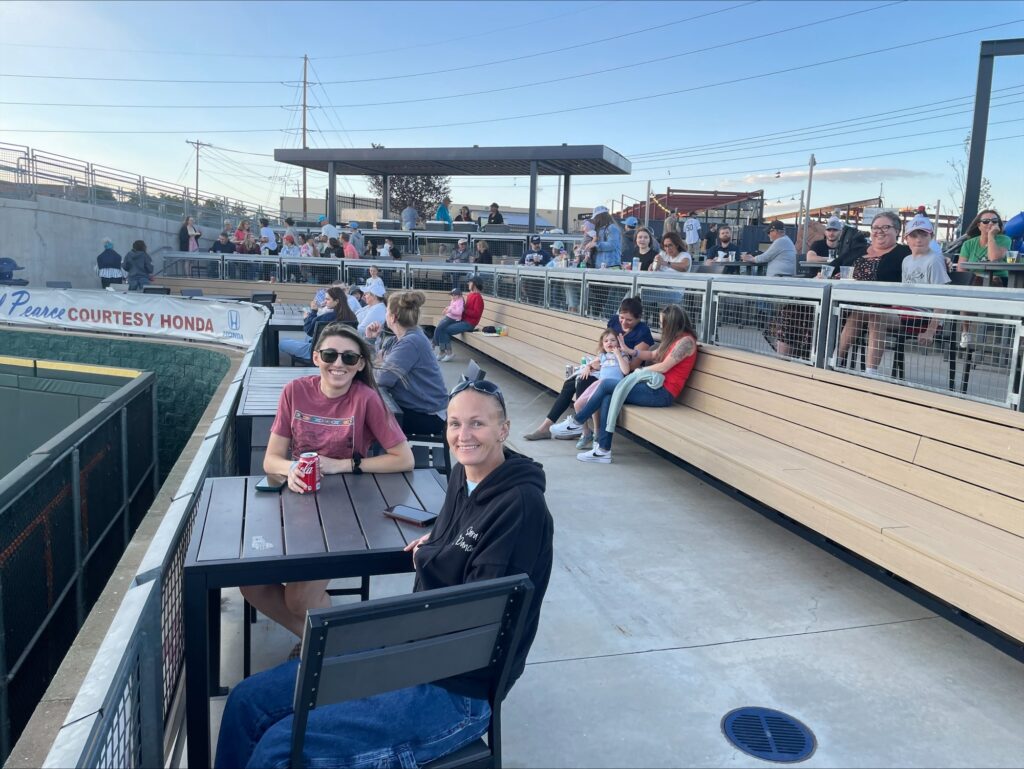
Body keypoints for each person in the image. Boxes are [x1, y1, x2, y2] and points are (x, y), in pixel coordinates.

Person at [214, 378, 553, 769]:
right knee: (246, 701)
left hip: (457, 691)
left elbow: (478, 622)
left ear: (503, 429)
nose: (463, 436)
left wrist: (380, 650)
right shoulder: (466, 475)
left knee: (280, 748)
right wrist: (439, 540)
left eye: (477, 424)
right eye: (455, 423)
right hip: (412, 649)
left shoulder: (521, 507)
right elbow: (464, 537)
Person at [239, 324, 413, 650]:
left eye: (349, 357)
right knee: (250, 583)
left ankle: (324, 650)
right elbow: (271, 460)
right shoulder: (295, 391)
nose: (339, 363)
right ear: (317, 357)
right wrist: (291, 469)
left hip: (345, 510)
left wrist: (346, 465)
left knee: (299, 596)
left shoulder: (367, 399)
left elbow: (404, 458)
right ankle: (321, 644)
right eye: (331, 355)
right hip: (295, 504)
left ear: (360, 364)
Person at [554, 304, 698, 464]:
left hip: (662, 393)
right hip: (652, 387)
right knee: (608, 394)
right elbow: (652, 354)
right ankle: (603, 450)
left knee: (606, 385)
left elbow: (664, 366)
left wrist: (639, 372)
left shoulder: (686, 342)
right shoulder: (674, 339)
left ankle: (577, 422)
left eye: (662, 323)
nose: (660, 326)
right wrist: (630, 351)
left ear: (672, 323)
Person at [523, 296, 654, 440]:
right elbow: (604, 345)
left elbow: (631, 367)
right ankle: (546, 427)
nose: (624, 322)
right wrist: (593, 364)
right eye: (622, 318)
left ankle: (583, 429)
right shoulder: (614, 321)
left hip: (619, 373)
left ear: (639, 318)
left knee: (582, 381)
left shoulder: (643, 332)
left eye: (629, 320)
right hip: (604, 365)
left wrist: (615, 354)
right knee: (572, 382)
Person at [835, 211, 912, 375]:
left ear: (897, 231)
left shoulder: (905, 252)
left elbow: (925, 256)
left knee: (873, 314)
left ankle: (868, 373)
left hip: (888, 308)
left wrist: (945, 259)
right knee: (798, 309)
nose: (879, 231)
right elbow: (834, 266)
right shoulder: (858, 250)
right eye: (875, 227)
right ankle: (823, 363)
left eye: (885, 227)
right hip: (846, 302)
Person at [365, 291, 449, 435]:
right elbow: (376, 366)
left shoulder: (411, 342)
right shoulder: (401, 338)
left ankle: (391, 456)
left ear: (392, 317)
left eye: (386, 311)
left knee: (365, 419)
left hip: (429, 417)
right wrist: (371, 340)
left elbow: (381, 378)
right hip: (421, 409)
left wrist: (379, 363)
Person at [570, 329, 632, 451]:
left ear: (618, 343)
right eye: (606, 341)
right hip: (600, 385)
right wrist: (587, 367)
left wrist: (618, 354)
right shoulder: (602, 356)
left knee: (596, 405)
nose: (609, 343)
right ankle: (586, 432)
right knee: (578, 405)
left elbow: (625, 371)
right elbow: (591, 364)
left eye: (613, 340)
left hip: (614, 386)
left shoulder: (623, 355)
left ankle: (597, 434)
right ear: (602, 344)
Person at [280, 287, 357, 361]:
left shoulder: (326, 318)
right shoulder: (352, 317)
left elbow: (308, 330)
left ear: (336, 301)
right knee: (307, 339)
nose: (325, 301)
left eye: (327, 299)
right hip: (342, 351)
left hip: (317, 351)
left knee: (282, 342)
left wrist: (313, 312)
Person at [433, 279, 484, 361]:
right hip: (463, 321)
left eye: (470, 282)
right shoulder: (471, 295)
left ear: (474, 284)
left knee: (445, 330)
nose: (468, 284)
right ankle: (442, 351)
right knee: (442, 327)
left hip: (469, 324)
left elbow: (476, 314)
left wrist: (463, 310)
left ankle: (449, 353)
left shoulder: (478, 298)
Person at [956, 209, 1009, 286]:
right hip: (975, 279)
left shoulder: (1005, 239)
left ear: (998, 224)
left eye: (994, 221)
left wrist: (991, 236)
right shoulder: (968, 244)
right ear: (979, 225)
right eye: (986, 221)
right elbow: (961, 268)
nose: (990, 223)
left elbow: (993, 258)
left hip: (999, 280)